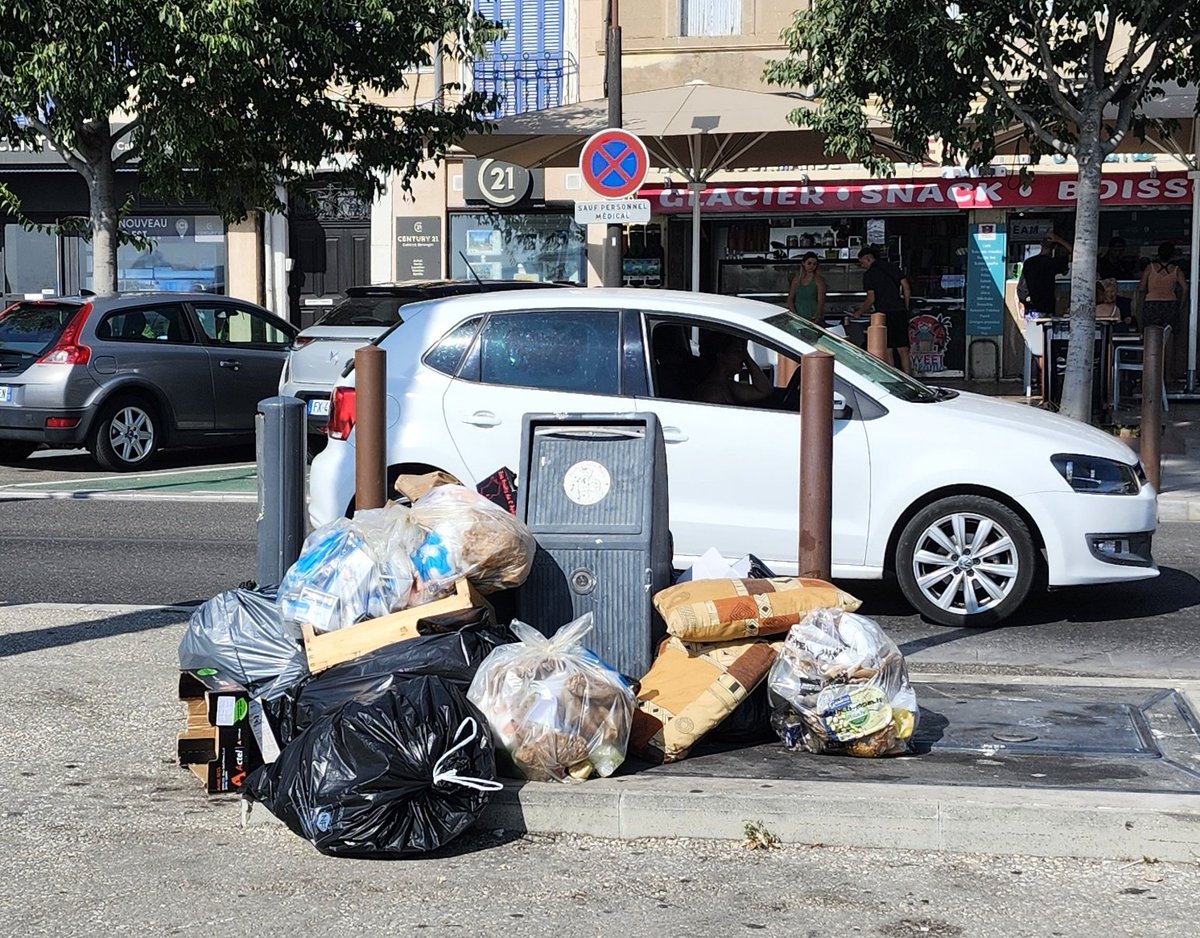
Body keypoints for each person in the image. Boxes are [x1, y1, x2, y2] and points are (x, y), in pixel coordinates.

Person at [1019, 232, 1073, 391]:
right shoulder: (1052, 263)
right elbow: (1075, 254)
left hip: (1031, 310)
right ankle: (1046, 384)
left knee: (1035, 348)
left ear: (1040, 246)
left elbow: (1021, 288)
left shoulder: (1029, 263)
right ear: (1054, 248)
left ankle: (1036, 380)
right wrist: (1060, 239)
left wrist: (1022, 304)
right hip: (1047, 310)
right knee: (1045, 348)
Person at [852, 246, 912, 374]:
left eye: (862, 262)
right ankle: (910, 379)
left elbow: (871, 298)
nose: (862, 265)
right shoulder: (893, 267)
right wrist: (906, 307)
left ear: (868, 258)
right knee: (903, 349)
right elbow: (906, 288)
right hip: (899, 311)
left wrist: (860, 312)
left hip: (883, 313)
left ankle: (894, 378)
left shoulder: (869, 275)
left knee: (888, 348)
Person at [693, 331, 774, 407]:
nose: (741, 356)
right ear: (721, 357)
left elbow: (764, 391)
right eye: (737, 351)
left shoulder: (727, 385)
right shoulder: (712, 394)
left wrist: (745, 354)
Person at [1139, 241, 1186, 330]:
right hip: (1170, 304)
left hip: (1151, 304)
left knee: (1152, 333)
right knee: (1169, 334)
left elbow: (1142, 288)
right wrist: (1181, 305)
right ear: (1172, 255)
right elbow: (1185, 288)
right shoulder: (1176, 269)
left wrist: (1141, 303)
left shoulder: (1150, 268)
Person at [786, 252, 827, 323]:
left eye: (814, 264)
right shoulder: (797, 279)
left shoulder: (819, 280)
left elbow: (821, 300)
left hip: (812, 316)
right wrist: (794, 314)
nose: (812, 266)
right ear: (803, 263)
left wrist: (817, 315)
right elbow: (790, 298)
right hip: (798, 316)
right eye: (809, 263)